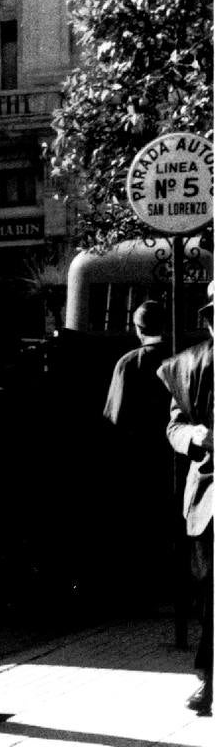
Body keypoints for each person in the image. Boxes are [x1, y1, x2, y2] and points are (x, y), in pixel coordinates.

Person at [157, 286, 213, 717]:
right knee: (208, 593)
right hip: (207, 498)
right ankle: (209, 680)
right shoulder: (189, 366)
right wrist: (191, 436)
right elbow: (174, 426)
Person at [102, 301, 174, 600]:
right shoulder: (181, 357)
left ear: (137, 328)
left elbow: (114, 417)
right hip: (174, 458)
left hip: (138, 459)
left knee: (140, 525)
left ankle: (143, 590)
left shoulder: (129, 363)